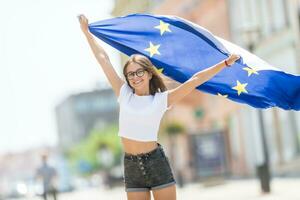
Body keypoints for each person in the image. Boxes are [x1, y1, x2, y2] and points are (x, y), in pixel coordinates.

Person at [78, 14, 240, 200]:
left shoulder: (162, 99)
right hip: (131, 165)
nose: (135, 77)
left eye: (139, 72)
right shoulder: (124, 94)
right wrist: (87, 33)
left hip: (155, 162)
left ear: (148, 74)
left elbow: (195, 80)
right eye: (130, 74)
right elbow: (103, 59)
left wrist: (225, 63)